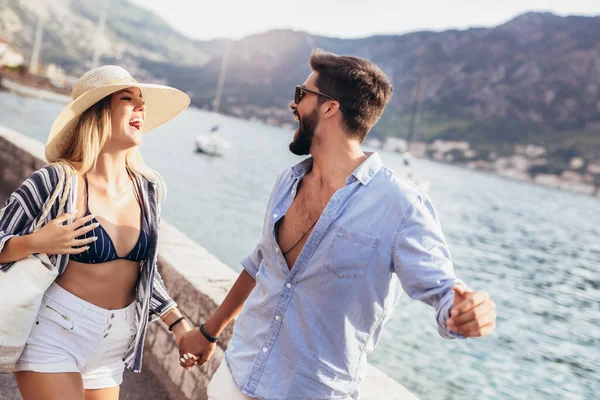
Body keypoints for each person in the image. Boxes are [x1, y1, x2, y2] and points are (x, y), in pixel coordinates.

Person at [179, 50, 497, 400]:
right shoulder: (289, 181)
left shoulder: (401, 205)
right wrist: (209, 333)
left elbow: (442, 291)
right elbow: (261, 263)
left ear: (329, 108)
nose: (292, 104)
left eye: (302, 94)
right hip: (236, 376)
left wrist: (464, 313)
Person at [0, 65, 191, 400]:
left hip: (114, 343)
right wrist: (35, 242)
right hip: (56, 331)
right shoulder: (57, 181)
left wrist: (178, 324)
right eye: (127, 99)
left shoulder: (148, 188)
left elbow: (146, 271)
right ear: (99, 111)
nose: (140, 108)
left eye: (141, 101)